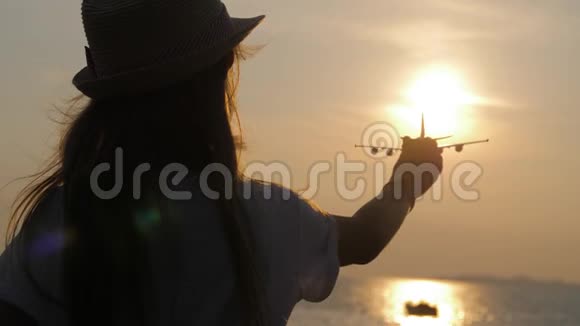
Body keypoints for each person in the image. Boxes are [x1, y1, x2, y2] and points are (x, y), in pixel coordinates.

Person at [0, 0, 443, 325]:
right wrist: (407, 181)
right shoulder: (270, 219)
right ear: (223, 69)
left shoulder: (60, 219)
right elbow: (364, 239)